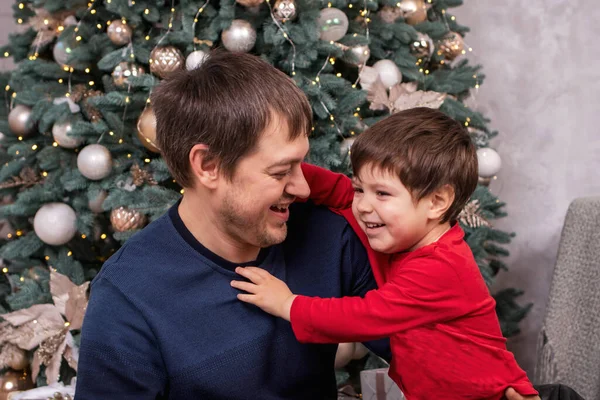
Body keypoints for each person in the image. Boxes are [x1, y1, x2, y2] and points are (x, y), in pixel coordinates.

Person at [75, 51, 537, 400]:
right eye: (280, 172)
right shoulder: (128, 296)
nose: (301, 188)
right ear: (208, 166)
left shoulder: (328, 237)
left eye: (302, 165)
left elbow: (423, 337)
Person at [231, 108, 540, 399]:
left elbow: (364, 316)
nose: (363, 205)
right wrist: (277, 171)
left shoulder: (441, 267)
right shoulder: (396, 230)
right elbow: (338, 192)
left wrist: (288, 304)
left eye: (382, 193)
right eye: (360, 189)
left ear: (436, 202)